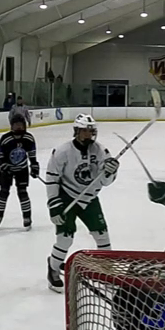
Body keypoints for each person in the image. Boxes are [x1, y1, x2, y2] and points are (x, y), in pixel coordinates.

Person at [44, 114, 120, 291]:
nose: (89, 135)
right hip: (67, 197)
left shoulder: (101, 151)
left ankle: (107, 270)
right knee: (65, 239)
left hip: (89, 198)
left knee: (102, 236)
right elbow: (52, 178)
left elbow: (105, 182)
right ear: (76, 131)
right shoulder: (62, 151)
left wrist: (109, 172)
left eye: (91, 131)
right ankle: (53, 268)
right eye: (85, 131)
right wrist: (54, 204)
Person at [0, 111, 40, 229]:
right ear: (11, 125)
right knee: (3, 193)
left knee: (23, 193)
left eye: (21, 124)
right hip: (6, 170)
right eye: (16, 124)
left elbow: (32, 154)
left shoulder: (29, 138)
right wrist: (4, 166)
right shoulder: (5, 138)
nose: (19, 127)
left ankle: (27, 217)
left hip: (22, 170)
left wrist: (34, 166)